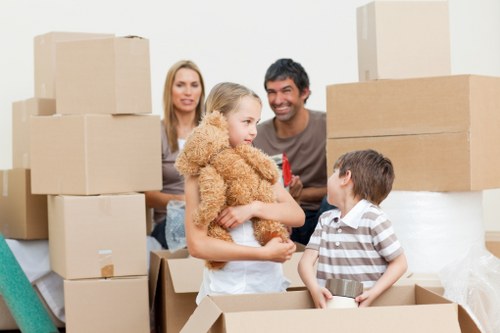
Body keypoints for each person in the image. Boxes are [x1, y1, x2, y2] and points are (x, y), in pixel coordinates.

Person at [180, 82, 305, 304]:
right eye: (246, 122)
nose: (254, 130)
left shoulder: (259, 164)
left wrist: (252, 209)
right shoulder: (199, 174)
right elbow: (197, 245)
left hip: (268, 286)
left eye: (256, 122)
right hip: (226, 291)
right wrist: (264, 254)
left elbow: (297, 215)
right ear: (219, 120)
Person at [298, 149, 408, 308]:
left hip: (365, 310)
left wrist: (373, 293)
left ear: (346, 177)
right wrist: (315, 289)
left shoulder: (374, 219)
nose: (329, 179)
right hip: (331, 307)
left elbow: (400, 263)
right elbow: (305, 263)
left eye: (334, 173)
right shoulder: (326, 220)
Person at [253, 58, 334, 246]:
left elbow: (347, 185)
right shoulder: (257, 136)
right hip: (279, 219)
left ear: (304, 92)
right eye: (271, 92)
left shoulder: (328, 126)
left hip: (321, 216)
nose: (278, 100)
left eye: (286, 91)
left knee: (335, 202)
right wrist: (287, 198)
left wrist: (298, 195)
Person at [145, 60, 205, 249]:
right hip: (171, 221)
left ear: (201, 91)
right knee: (192, 230)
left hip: (208, 215)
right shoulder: (156, 133)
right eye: (180, 85)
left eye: (194, 85)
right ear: (170, 90)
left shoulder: (211, 133)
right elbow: (147, 195)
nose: (188, 92)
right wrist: (185, 201)